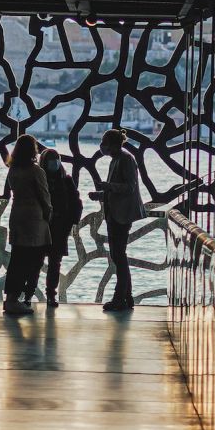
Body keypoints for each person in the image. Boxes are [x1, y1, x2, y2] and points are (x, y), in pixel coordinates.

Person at [93, 128, 144, 311]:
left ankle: (119, 298)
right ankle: (126, 297)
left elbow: (129, 187)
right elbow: (118, 188)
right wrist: (101, 193)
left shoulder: (126, 159)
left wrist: (107, 186)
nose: (103, 147)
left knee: (119, 256)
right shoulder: (117, 159)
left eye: (105, 143)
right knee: (118, 256)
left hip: (121, 215)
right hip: (115, 214)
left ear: (113, 144)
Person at [1, 134, 51, 314]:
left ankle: (11, 299)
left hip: (17, 215)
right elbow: (45, 197)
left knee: (17, 258)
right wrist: (48, 215)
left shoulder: (12, 169)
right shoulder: (36, 171)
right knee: (32, 259)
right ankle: (21, 298)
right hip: (34, 219)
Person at [39, 148, 83, 306]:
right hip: (42, 226)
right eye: (52, 160)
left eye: (57, 159)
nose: (55, 163)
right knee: (37, 261)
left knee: (54, 263)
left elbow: (76, 203)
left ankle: (51, 293)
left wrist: (71, 222)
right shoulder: (40, 179)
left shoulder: (66, 180)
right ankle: (29, 291)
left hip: (59, 228)